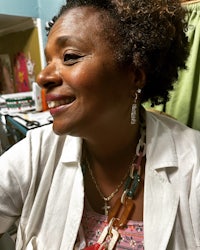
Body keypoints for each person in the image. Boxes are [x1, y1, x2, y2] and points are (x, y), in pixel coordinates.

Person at [0, 0, 200, 249]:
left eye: (69, 57)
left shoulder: (193, 165)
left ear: (135, 74)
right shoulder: (35, 152)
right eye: (48, 60)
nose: (43, 76)